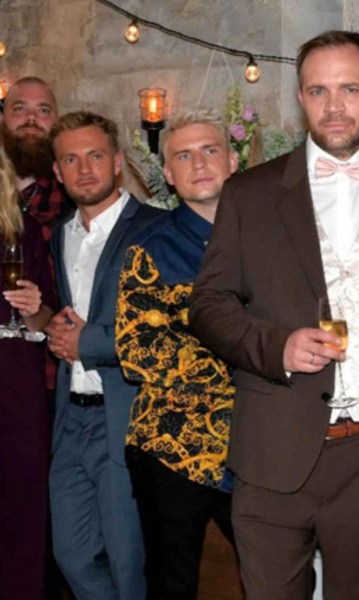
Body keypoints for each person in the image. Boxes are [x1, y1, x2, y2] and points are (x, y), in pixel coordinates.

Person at [189, 30, 359, 600]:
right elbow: (208, 304)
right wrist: (274, 346)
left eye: (349, 89)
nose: (334, 106)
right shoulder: (249, 193)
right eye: (318, 91)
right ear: (300, 98)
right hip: (272, 449)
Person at [116, 109, 239, 600]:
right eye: (183, 156)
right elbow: (137, 351)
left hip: (255, 448)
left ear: (233, 161)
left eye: (210, 150)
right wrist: (249, 359)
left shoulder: (269, 241)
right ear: (168, 174)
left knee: (280, 577)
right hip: (172, 448)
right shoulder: (150, 249)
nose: (199, 163)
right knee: (172, 587)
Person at [45, 111, 163, 600]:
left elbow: (168, 329)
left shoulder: (155, 228)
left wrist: (88, 343)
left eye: (95, 156)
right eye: (71, 160)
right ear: (58, 172)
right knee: (71, 555)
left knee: (128, 563)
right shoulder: (61, 234)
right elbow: (72, 314)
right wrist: (53, 328)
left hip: (126, 417)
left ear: (117, 162)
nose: (85, 169)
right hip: (70, 419)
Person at [0, 147, 55, 600]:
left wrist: (34, 308)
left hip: (16, 385)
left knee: (21, 516)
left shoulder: (23, 232)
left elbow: (46, 319)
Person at [1, 77, 72, 242]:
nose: (31, 118)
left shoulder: (73, 195)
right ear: (3, 118)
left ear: (56, 122)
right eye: (19, 109)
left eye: (43, 111)